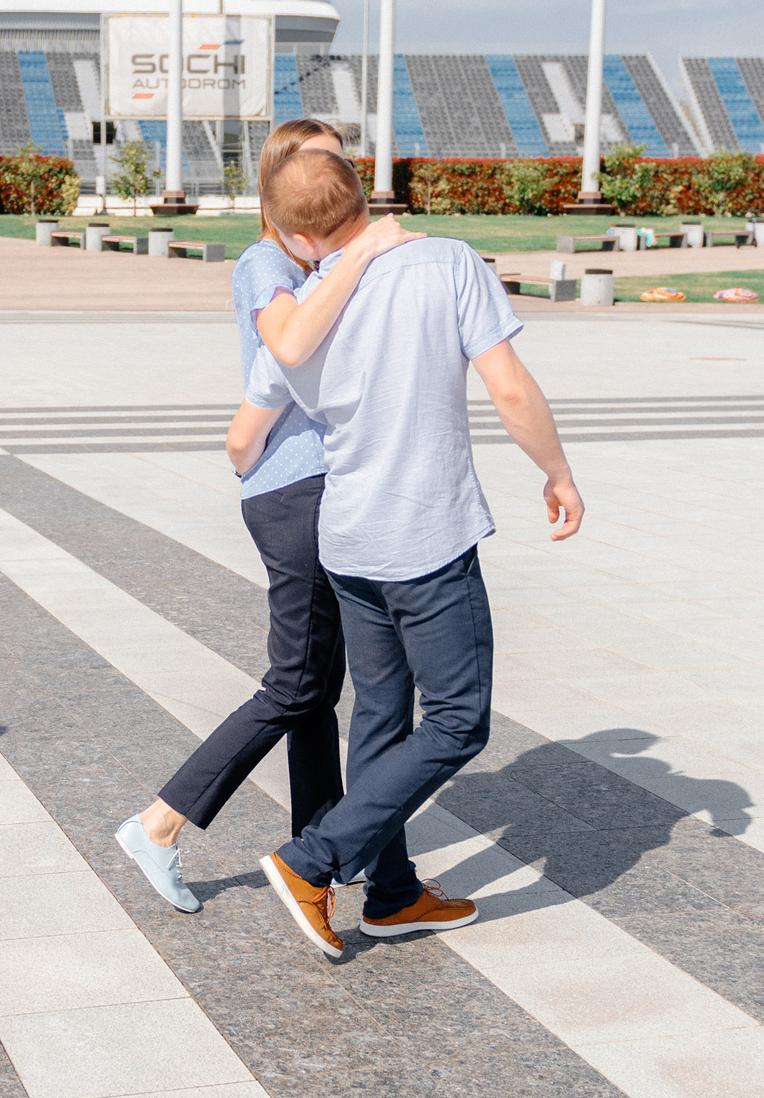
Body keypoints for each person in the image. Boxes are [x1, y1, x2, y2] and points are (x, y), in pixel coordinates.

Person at [237, 147, 583, 958]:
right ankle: (312, 859)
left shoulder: (299, 310)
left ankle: (391, 894)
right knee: (458, 719)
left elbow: (245, 433)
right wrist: (558, 472)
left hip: (348, 537)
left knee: (382, 717)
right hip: (424, 534)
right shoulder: (447, 264)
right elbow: (508, 386)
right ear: (365, 196)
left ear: (293, 234)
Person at [112, 120, 422, 912]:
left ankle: (319, 855)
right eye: (325, 164)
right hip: (296, 492)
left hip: (314, 487)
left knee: (316, 690)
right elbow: (287, 346)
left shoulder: (312, 264)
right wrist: (362, 255)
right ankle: (159, 823)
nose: (340, 181)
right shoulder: (266, 263)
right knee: (294, 682)